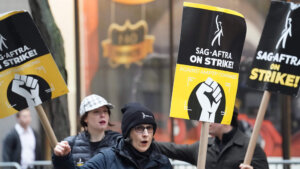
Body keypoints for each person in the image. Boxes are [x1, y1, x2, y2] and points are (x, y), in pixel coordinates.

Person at [52, 102, 172, 169]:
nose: (145, 134)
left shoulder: (162, 162)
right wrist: (63, 159)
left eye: (149, 128)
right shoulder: (107, 158)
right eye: (139, 129)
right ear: (128, 133)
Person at [155, 108, 269, 169]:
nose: (206, 122)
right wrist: (145, 142)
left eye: (211, 117)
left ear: (226, 120)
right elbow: (172, 149)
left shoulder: (251, 148)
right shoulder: (203, 147)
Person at [63, 94, 122, 166]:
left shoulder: (119, 142)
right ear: (85, 118)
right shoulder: (70, 144)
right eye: (96, 111)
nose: (103, 115)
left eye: (105, 111)